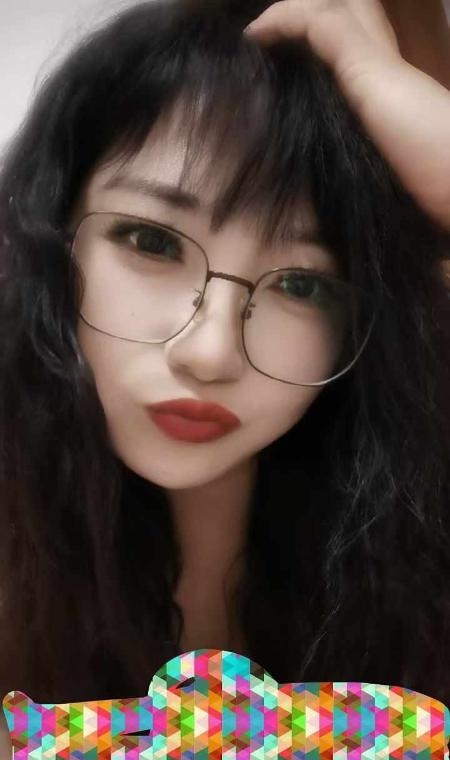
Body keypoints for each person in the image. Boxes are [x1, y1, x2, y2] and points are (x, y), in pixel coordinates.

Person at [0, 0, 450, 753]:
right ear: (54, 236)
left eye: (301, 284)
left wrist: (388, 88)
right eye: (152, 242)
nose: (210, 354)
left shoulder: (421, 550)